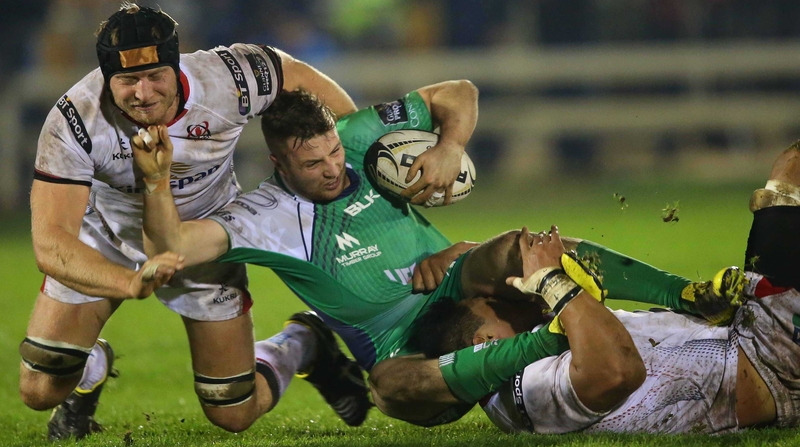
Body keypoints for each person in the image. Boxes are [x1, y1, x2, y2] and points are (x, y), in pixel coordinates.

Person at [133, 84, 742, 427]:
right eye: (312, 164)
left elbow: (459, 92)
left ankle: (689, 296)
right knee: (391, 388)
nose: (331, 169)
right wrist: (157, 184)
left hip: (454, 281)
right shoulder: (266, 217)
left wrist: (450, 146)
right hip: (406, 342)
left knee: (514, 245)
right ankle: (554, 339)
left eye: (332, 154)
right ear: (279, 163)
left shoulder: (357, 140)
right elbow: (176, 246)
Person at [21, 3, 374, 440]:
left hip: (203, 240)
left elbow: (303, 81)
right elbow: (51, 242)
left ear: (177, 65)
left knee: (233, 412)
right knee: (39, 388)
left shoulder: (229, 76)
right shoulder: (75, 119)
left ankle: (302, 344)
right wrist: (128, 282)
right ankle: (88, 366)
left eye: (155, 76)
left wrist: (361, 167)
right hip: (109, 237)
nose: (144, 93)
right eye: (127, 80)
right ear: (107, 78)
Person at [414, 141, 800, 433]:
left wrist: (703, 305)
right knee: (793, 167)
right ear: (484, 343)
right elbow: (617, 373)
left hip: (752, 343)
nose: (516, 299)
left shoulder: (537, 353)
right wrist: (553, 283)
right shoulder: (522, 390)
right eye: (498, 307)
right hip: (766, 361)